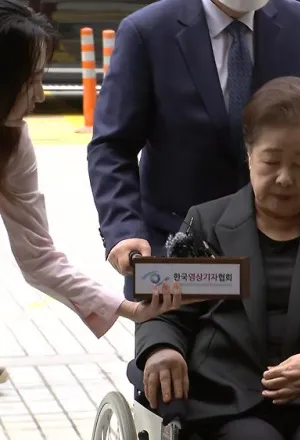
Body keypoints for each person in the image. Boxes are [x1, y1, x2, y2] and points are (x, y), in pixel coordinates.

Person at [135, 77, 300, 440]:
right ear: (249, 155)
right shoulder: (207, 223)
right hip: (227, 397)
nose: (284, 178)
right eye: (271, 161)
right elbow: (166, 312)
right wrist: (161, 348)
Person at [86, 0, 300, 302]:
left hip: (282, 255)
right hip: (180, 253)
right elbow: (112, 146)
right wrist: (124, 228)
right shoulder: (147, 31)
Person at [0, 0, 188, 383]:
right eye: (30, 80)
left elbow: (39, 258)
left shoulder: (13, 145)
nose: (40, 95)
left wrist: (128, 309)